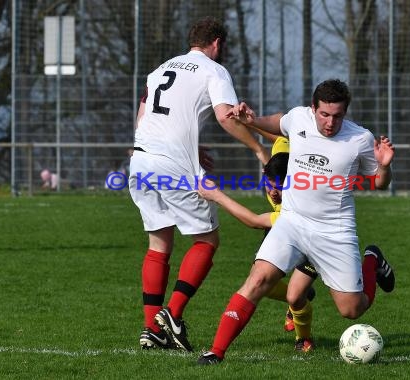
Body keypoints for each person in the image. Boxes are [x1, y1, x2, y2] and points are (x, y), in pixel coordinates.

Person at [197, 79, 395, 365]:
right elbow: (279, 123)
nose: (330, 122)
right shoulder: (299, 117)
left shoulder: (360, 139)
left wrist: (385, 166)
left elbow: (379, 183)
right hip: (292, 222)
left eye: (337, 116)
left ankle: (372, 260)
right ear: (313, 108)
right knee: (258, 279)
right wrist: (252, 120)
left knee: (351, 310)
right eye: (324, 114)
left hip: (334, 231)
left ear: (345, 113)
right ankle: (216, 352)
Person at [128, 17, 269, 352]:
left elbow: (144, 116)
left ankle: (152, 329)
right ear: (217, 43)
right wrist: (259, 150)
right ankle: (173, 315)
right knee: (207, 240)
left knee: (158, 244)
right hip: (173, 165)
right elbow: (224, 116)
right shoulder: (213, 70)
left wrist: (190, 145)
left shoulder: (160, 69)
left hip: (140, 159)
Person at [198, 152, 318, 352]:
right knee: (265, 285)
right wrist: (249, 124)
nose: (272, 192)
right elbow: (278, 134)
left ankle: (302, 339)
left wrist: (216, 195)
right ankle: (302, 293)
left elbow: (253, 221)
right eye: (269, 184)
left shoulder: (295, 208)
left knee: (302, 298)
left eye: (278, 188)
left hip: (316, 241)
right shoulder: (280, 162)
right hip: (284, 232)